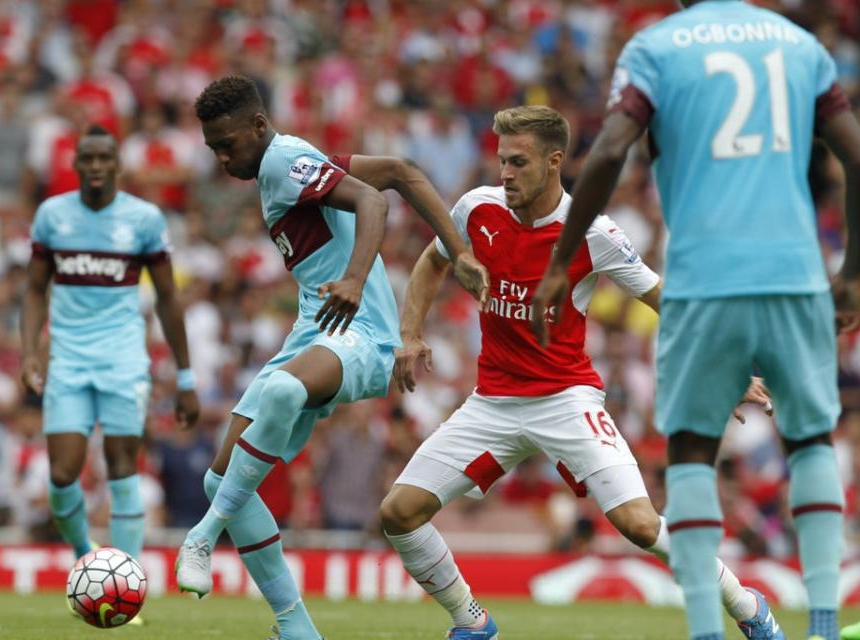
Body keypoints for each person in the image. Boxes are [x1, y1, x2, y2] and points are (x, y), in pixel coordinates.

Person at [383, 105, 778, 640]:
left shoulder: (593, 233)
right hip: (492, 402)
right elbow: (433, 262)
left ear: (554, 161)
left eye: (519, 162)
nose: (505, 174)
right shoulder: (476, 209)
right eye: (501, 161)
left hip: (567, 399)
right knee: (399, 513)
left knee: (639, 525)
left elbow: (665, 299)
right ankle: (472, 622)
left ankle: (749, 607)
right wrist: (411, 333)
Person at [531, 3, 860, 640]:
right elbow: (854, 152)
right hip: (794, 270)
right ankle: (822, 629)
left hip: (705, 276)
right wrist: (851, 270)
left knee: (690, 451)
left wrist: (562, 258)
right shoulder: (799, 45)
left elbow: (608, 154)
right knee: (812, 439)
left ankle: (708, 633)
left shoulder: (657, 47)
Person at [174, 75, 488, 640]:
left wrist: (355, 278)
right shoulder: (291, 162)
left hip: (359, 332)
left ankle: (204, 534)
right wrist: (459, 252)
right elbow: (398, 173)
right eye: (213, 148)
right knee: (219, 475)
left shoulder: (282, 160)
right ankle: (297, 628)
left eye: (229, 144)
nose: (222, 158)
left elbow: (371, 202)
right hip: (314, 332)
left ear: (259, 127)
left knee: (280, 394)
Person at [21, 124, 200, 627]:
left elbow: (167, 297)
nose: (96, 166)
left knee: (124, 468)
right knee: (61, 474)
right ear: (76, 164)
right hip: (70, 361)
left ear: (117, 165)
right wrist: (30, 352)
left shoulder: (142, 219)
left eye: (105, 158)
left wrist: (185, 378)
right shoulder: (52, 216)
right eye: (88, 158)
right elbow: (34, 289)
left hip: (124, 360)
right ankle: (88, 555)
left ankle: (128, 587)